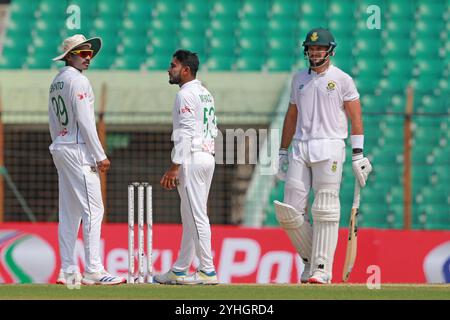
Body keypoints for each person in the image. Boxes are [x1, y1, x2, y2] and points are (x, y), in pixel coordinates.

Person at [275, 28, 372, 284]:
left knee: (325, 208)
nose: (315, 52)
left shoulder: (343, 80)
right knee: (289, 212)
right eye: (311, 48)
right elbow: (291, 116)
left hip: (330, 146)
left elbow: (356, 118)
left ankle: (321, 268)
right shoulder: (298, 79)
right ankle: (311, 259)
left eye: (319, 49)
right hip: (300, 145)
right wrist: (283, 151)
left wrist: (358, 155)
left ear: (330, 51)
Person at [49, 34, 125, 285]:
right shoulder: (79, 81)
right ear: (69, 56)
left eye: (89, 53)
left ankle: (68, 270)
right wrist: (100, 154)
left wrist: (60, 143)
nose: (88, 57)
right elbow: (85, 120)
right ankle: (93, 269)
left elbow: (53, 121)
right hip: (77, 149)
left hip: (61, 146)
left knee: (70, 212)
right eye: (82, 53)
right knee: (94, 208)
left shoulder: (57, 81)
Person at [154, 50, 218, 285]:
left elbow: (186, 132)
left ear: (185, 70)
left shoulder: (185, 95)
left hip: (192, 158)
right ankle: (181, 268)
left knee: (196, 215)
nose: (169, 70)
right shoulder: (205, 93)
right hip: (206, 156)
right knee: (190, 214)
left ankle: (207, 270)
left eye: (173, 66)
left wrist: (174, 166)